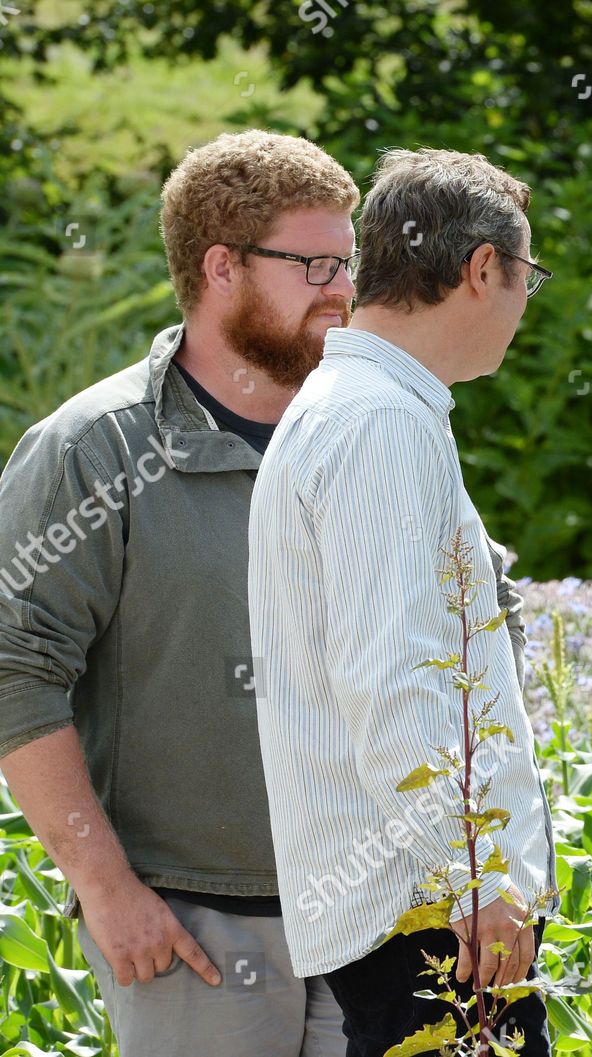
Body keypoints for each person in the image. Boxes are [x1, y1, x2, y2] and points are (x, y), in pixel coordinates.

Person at [0, 130, 356, 1056]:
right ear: (222, 268)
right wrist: (107, 887)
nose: (343, 288)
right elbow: (13, 669)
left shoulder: (371, 437)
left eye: (348, 261)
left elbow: (477, 625)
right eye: (315, 262)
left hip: (378, 923)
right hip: (194, 936)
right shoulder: (95, 450)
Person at [247, 148, 556, 1057]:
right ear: (483, 268)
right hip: (430, 912)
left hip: (415, 908)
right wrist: (481, 878)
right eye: (526, 277)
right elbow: (395, 680)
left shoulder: (349, 405)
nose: (521, 304)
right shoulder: (379, 420)